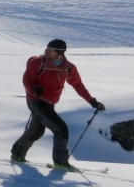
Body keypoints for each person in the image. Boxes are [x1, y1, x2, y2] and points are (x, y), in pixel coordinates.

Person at [10, 39, 105, 171]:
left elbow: (77, 84)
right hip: (36, 100)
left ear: (59, 53)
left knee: (37, 131)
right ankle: (60, 163)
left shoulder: (68, 67)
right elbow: (27, 79)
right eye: (47, 48)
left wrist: (92, 101)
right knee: (61, 129)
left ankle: (17, 154)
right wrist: (33, 90)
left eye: (50, 50)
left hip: (49, 103)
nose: (46, 51)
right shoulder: (38, 62)